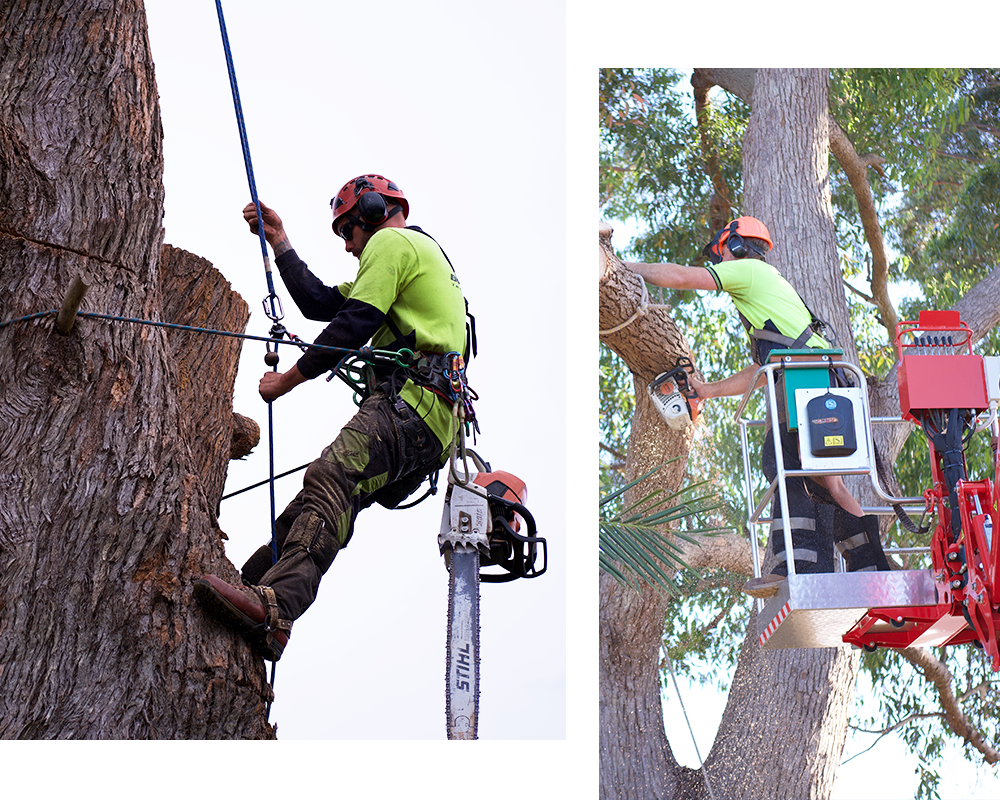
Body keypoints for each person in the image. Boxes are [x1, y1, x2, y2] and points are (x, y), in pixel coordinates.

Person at [194, 174, 468, 659]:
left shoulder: (393, 242)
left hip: (412, 404)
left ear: (373, 210)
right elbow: (321, 303)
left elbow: (352, 324)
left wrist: (288, 381)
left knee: (330, 475)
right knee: (315, 506)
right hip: (430, 422)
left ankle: (276, 610)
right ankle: (246, 587)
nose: (347, 247)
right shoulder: (415, 257)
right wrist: (279, 242)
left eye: (347, 232)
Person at [628, 216, 889, 598]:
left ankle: (799, 565)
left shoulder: (749, 270)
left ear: (735, 247)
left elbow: (683, 278)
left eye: (720, 254)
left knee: (782, 462)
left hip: (809, 380)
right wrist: (708, 390)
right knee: (828, 482)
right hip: (817, 379)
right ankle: (872, 568)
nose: (719, 263)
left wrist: (627, 269)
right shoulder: (769, 296)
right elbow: (763, 368)